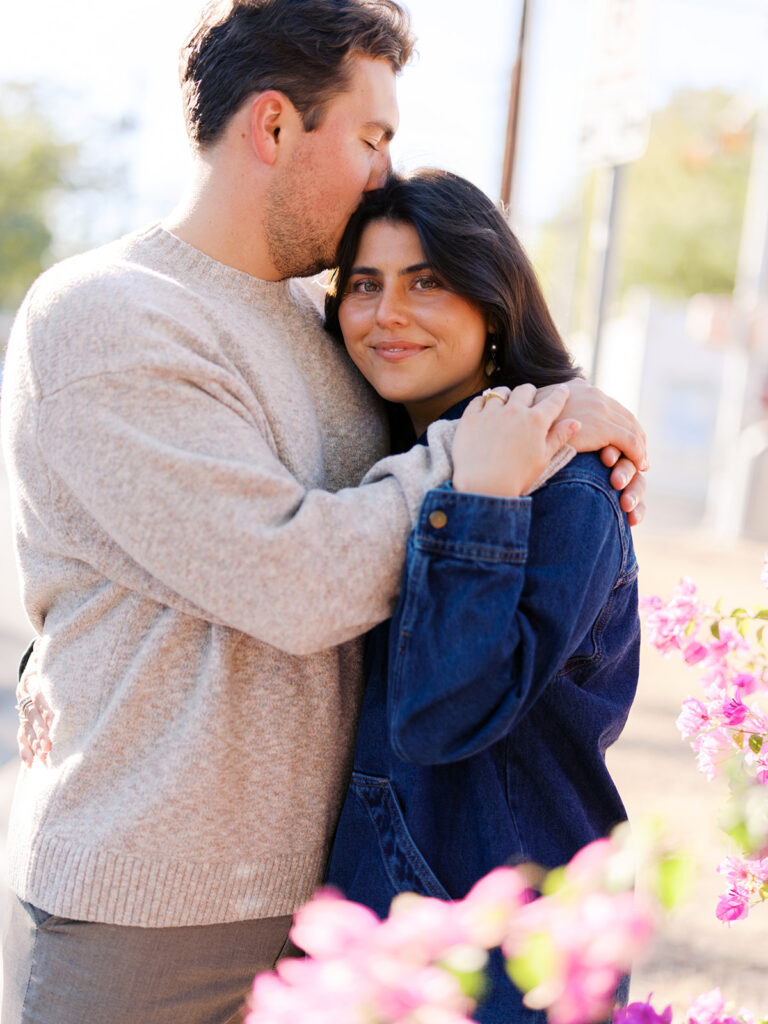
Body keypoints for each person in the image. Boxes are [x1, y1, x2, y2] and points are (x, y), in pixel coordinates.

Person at [3, 1, 646, 1021]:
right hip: (156, 916)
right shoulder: (108, 314)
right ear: (273, 127)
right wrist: (476, 452)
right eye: (372, 135)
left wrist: (545, 409)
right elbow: (296, 579)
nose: (386, 172)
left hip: (347, 909)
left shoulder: (330, 322)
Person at [322, 169, 641, 1024]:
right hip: (395, 925)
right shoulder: (397, 465)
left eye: (427, 281)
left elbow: (441, 716)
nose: (387, 312)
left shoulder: (563, 489)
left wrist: (486, 503)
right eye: (364, 284)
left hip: (507, 954)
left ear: (492, 304)